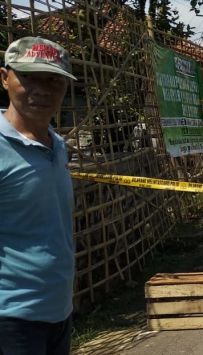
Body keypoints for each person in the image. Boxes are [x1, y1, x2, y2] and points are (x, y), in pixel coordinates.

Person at [0, 37, 77, 355]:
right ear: (5, 78)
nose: (42, 89)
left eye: (54, 80)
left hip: (58, 311)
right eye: (29, 77)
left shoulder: (57, 146)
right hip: (11, 319)